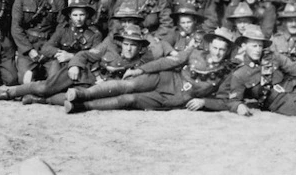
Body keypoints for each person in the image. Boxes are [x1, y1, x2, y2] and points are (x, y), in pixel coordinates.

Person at [64, 28, 237, 113]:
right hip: (165, 79)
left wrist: (204, 102)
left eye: (222, 50)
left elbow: (224, 101)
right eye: (215, 48)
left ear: (227, 51)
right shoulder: (193, 52)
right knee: (129, 85)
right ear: (210, 46)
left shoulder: (227, 72)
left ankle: (82, 106)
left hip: (173, 99)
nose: (218, 53)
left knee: (129, 99)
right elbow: (167, 62)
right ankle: (82, 95)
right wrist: (140, 70)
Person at [0, 0, 102, 105]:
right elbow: (47, 48)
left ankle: (35, 99)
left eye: (81, 15)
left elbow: (95, 56)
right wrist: (59, 53)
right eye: (75, 15)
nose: (78, 19)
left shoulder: (94, 34)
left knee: (75, 96)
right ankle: (8, 93)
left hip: (83, 72)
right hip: (64, 69)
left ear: (87, 15)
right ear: (70, 16)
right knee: (45, 88)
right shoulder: (63, 30)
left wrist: (71, 56)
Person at [11, 0, 65, 83]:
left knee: (55, 80)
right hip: (29, 45)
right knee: (23, 80)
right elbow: (16, 27)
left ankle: (42, 73)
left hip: (49, 43)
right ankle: (35, 71)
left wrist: (50, 47)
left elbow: (61, 26)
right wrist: (29, 50)